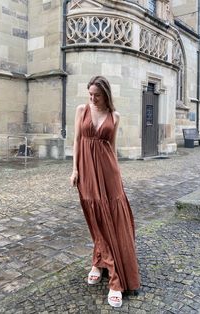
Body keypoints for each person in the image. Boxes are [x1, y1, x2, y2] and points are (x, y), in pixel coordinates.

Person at [70, 76, 140, 308]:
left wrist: (118, 175)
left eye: (96, 95)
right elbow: (77, 140)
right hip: (87, 172)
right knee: (96, 218)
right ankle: (100, 260)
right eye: (90, 94)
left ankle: (113, 277)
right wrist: (74, 170)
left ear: (106, 95)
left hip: (109, 172)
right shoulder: (82, 110)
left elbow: (113, 147)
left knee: (112, 219)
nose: (92, 98)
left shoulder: (115, 116)